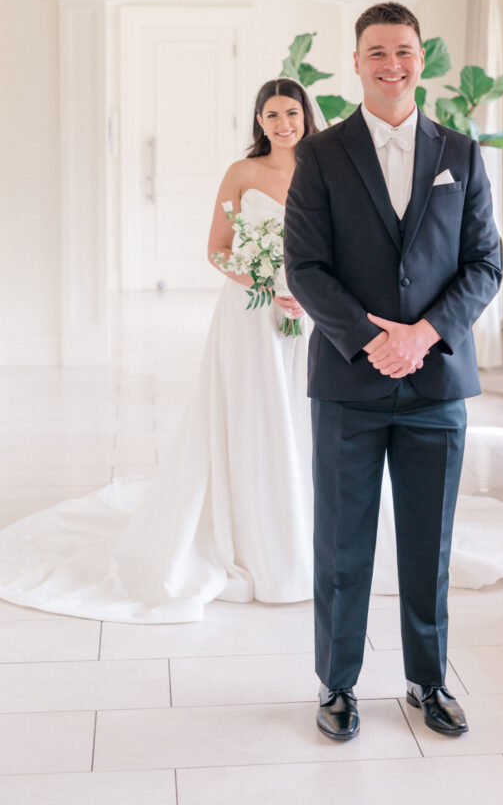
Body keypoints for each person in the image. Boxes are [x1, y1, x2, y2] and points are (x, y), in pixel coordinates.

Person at [0, 78, 321, 620]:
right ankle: (249, 533)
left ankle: (305, 528)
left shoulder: (325, 169)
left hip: (311, 311)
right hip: (250, 312)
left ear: (307, 116)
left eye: (292, 112)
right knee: (252, 417)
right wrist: (266, 283)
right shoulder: (241, 174)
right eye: (271, 114)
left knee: (304, 415)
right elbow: (217, 250)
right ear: (258, 121)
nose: (283, 123)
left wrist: (306, 293)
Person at [284, 1, 502, 742]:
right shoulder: (319, 156)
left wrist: (425, 334)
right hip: (350, 382)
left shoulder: (462, 156)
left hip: (436, 383)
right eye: (376, 52)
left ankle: (427, 681)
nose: (391, 64)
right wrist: (369, 340)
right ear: (356, 63)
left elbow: (485, 264)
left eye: (404, 51)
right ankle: (336, 685)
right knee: (342, 545)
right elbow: (304, 267)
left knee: (427, 545)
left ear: (421, 59)